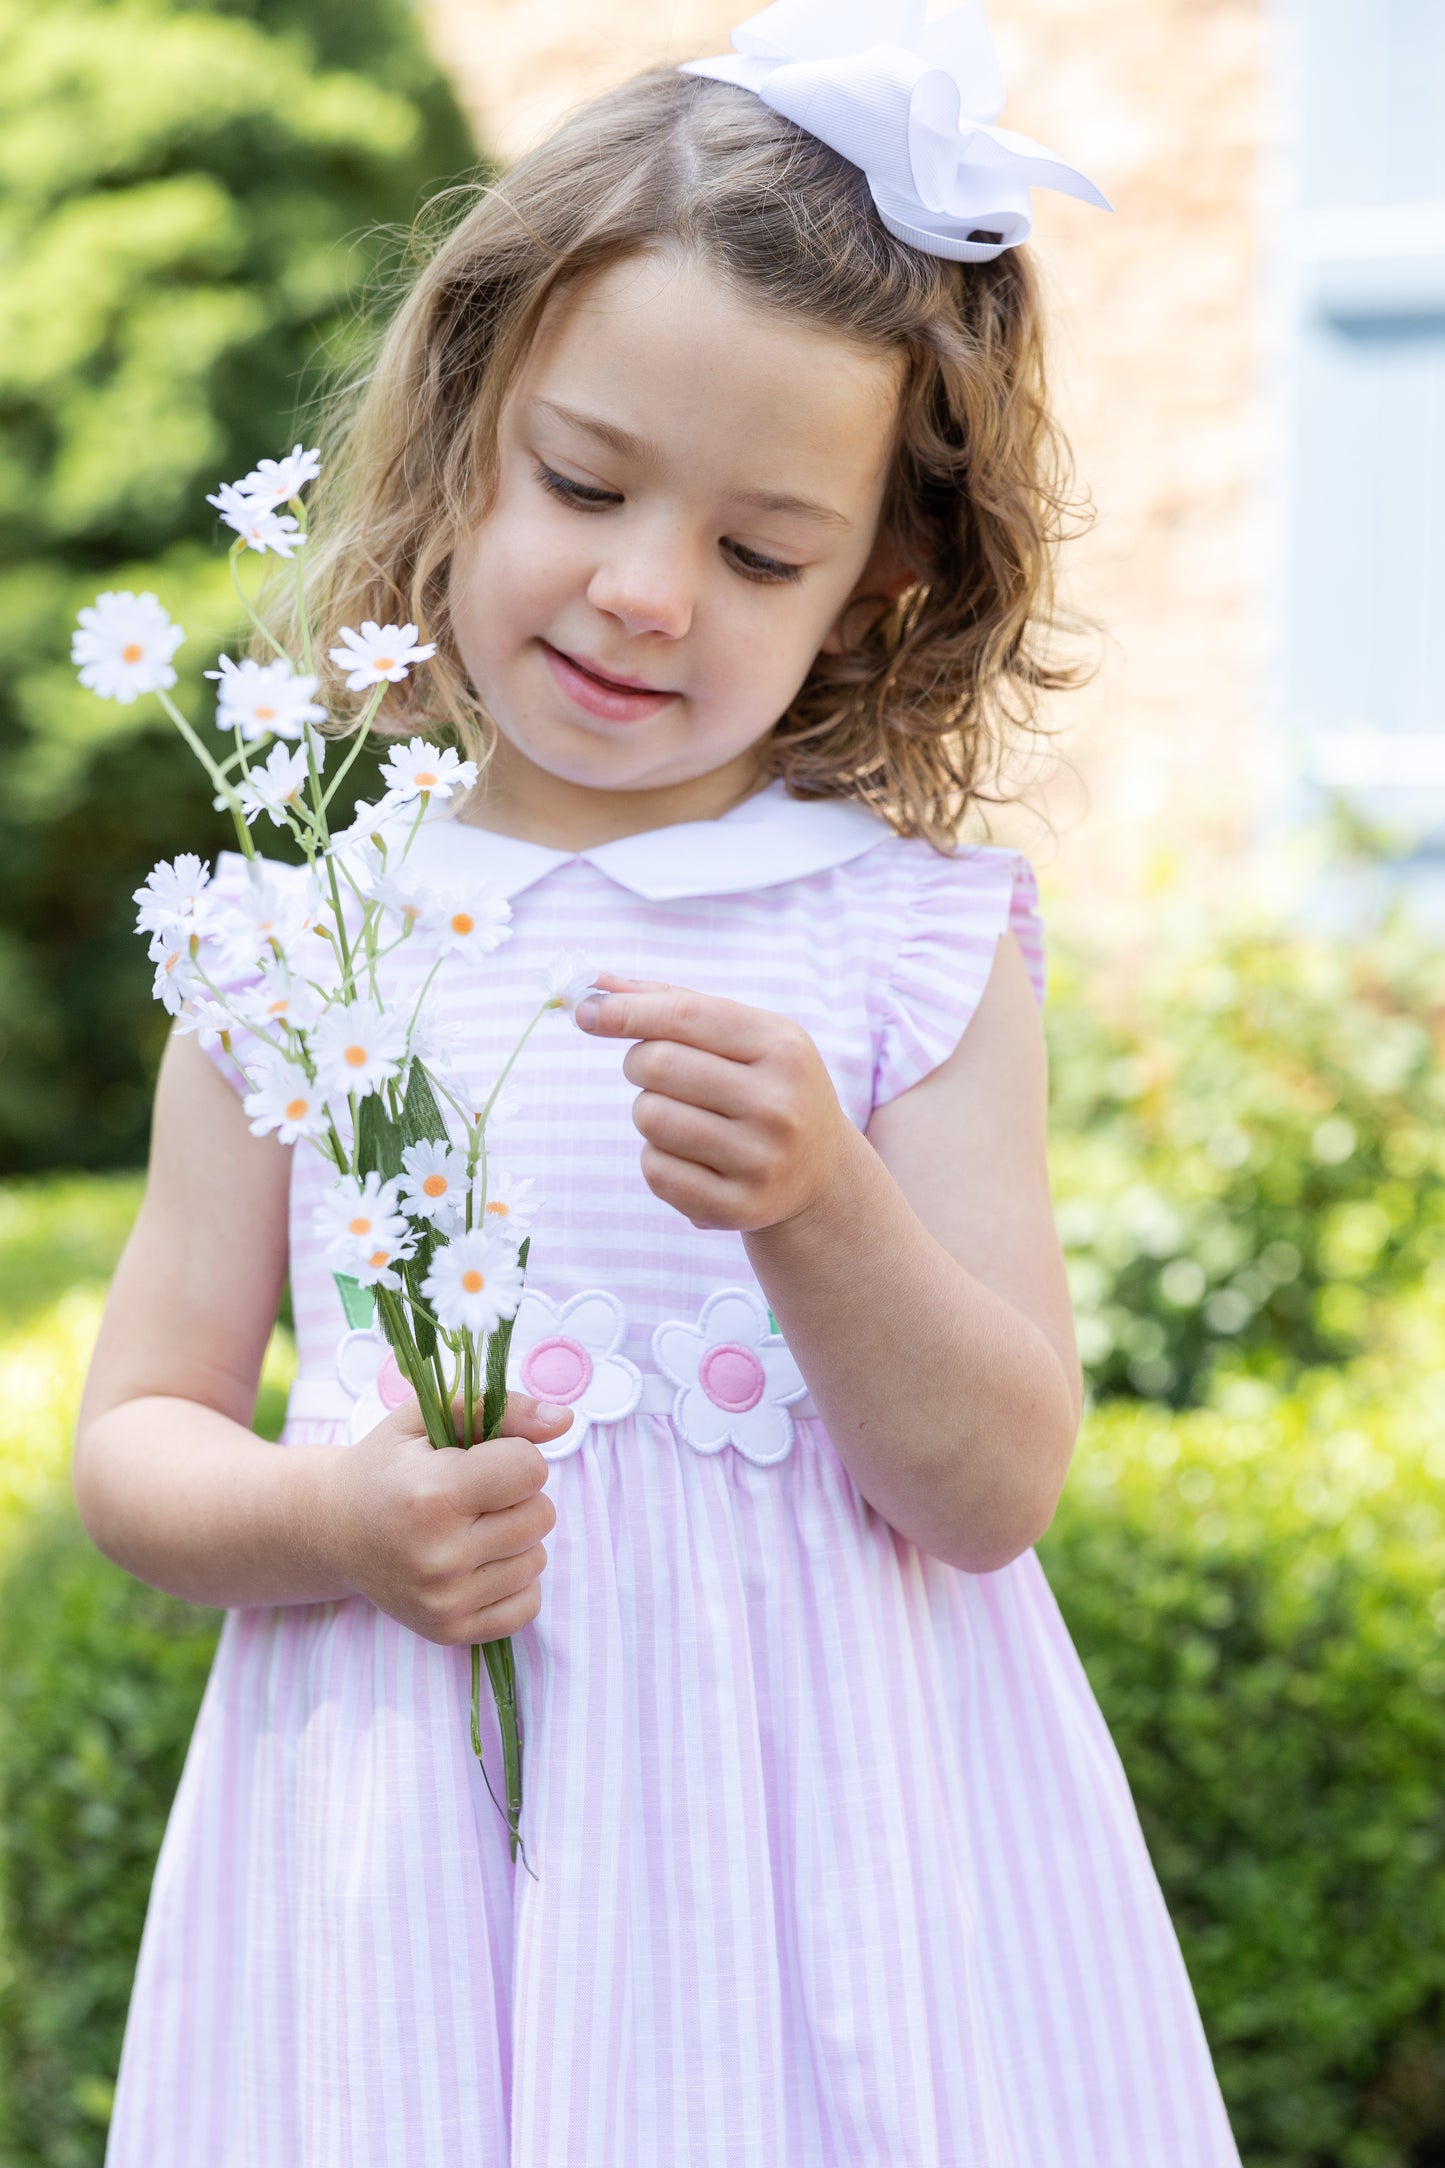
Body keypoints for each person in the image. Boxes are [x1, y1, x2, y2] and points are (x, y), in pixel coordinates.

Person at [77, 7, 1242, 2161]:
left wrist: (827, 1211)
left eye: (759, 550)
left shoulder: (906, 941)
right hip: (409, 1851)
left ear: (882, 585)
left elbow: (992, 1488)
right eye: (588, 483)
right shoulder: (291, 948)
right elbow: (136, 1439)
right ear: (469, 429)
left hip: (837, 1881)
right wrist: (335, 1514)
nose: (641, 589)